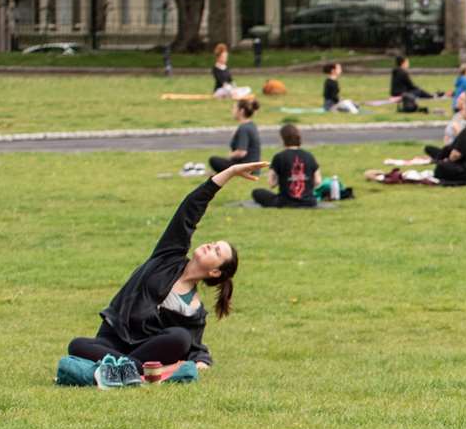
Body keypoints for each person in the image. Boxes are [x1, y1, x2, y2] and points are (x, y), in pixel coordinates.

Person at [66, 160, 266, 371]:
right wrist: (230, 171)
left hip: (145, 350)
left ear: (215, 271)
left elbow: (195, 347)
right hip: (112, 341)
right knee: (77, 345)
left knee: (180, 338)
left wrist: (201, 361)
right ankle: (130, 369)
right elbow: (189, 210)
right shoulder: (169, 256)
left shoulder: (194, 310)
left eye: (217, 251)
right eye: (214, 243)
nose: (210, 245)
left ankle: (119, 368)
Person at [424, 95, 466, 183]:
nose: (461, 111)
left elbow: (456, 154)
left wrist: (447, 161)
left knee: (440, 168)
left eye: (464, 109)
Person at [253, 123, 321, 208]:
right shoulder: (309, 156)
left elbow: (271, 183)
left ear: (282, 139)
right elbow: (318, 181)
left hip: (285, 202)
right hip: (309, 201)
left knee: (257, 192)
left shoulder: (279, 157)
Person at [209, 98, 261, 173]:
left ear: (241, 111)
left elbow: (241, 152)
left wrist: (230, 155)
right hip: (252, 166)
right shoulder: (251, 125)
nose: (232, 111)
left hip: (245, 167)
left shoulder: (244, 128)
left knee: (213, 160)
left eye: (234, 108)